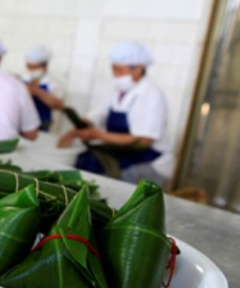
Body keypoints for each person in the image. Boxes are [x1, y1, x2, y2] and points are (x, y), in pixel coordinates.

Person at [58, 42, 174, 187]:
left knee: (103, 182)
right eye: (113, 70)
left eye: (119, 70)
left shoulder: (151, 95)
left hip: (149, 162)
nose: (115, 75)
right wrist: (76, 130)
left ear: (137, 70)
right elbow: (98, 114)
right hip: (125, 153)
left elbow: (143, 140)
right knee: (85, 162)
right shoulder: (119, 91)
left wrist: (97, 135)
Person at [23, 45, 65, 132]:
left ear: (45, 66)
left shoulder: (54, 83)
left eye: (36, 67)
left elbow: (59, 105)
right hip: (23, 126)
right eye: (30, 66)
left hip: (44, 126)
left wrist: (36, 91)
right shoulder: (22, 80)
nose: (32, 70)